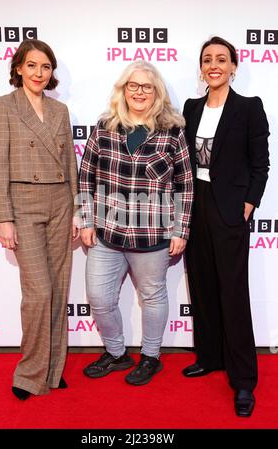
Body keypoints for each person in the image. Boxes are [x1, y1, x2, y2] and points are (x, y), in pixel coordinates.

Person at [78, 61, 193, 386]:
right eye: (133, 85)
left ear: (156, 92)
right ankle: (116, 354)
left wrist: (180, 230)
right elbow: (85, 177)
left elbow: (185, 184)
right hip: (106, 234)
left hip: (153, 236)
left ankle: (151, 357)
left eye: (147, 86)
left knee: (153, 298)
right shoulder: (104, 126)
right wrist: (85, 219)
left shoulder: (172, 132)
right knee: (99, 298)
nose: (139, 92)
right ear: (123, 89)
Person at [0, 39, 79, 400]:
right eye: (33, 65)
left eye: (46, 67)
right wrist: (3, 219)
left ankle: (53, 370)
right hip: (23, 205)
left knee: (57, 288)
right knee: (38, 293)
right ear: (19, 68)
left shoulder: (61, 111)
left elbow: (69, 164)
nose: (39, 73)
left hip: (60, 203)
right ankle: (28, 374)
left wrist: (76, 209)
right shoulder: (2, 107)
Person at [182, 36, 270, 416]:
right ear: (201, 68)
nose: (213, 65)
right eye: (207, 59)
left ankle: (244, 379)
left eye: (221, 59)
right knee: (201, 283)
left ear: (233, 66)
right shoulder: (190, 107)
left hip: (231, 209)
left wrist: (250, 203)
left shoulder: (249, 108)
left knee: (233, 292)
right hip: (194, 205)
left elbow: (260, 163)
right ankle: (210, 356)